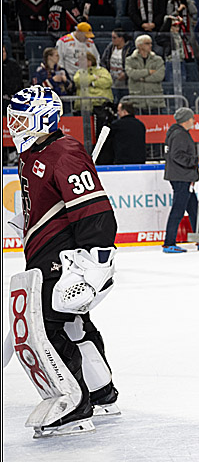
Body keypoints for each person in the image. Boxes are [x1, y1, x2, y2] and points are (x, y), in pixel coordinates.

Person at [6, 85, 120, 438]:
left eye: (22, 118)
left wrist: (94, 264)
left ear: (43, 118)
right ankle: (102, 393)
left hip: (63, 258)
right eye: (12, 118)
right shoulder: (33, 154)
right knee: (73, 327)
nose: (14, 125)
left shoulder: (66, 151)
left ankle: (72, 405)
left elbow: (94, 210)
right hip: (43, 252)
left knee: (46, 328)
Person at [162, 108, 199, 253]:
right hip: (181, 177)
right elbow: (177, 155)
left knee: (193, 209)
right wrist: (195, 160)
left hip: (183, 176)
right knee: (178, 210)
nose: (194, 121)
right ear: (186, 120)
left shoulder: (177, 133)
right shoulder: (179, 135)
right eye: (192, 118)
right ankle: (169, 243)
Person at [98, 100, 147, 165]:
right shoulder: (141, 125)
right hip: (140, 161)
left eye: (119, 111)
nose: (117, 113)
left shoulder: (117, 125)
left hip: (123, 162)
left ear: (124, 112)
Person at [125, 35, 166, 110]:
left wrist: (143, 78)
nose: (150, 45)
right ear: (139, 46)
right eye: (147, 43)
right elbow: (131, 74)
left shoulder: (158, 60)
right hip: (137, 102)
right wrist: (148, 72)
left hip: (155, 101)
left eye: (151, 43)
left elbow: (159, 76)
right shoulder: (130, 60)